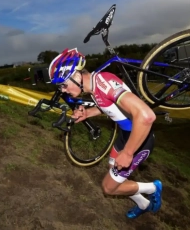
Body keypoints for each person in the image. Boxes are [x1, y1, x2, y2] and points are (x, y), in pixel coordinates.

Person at [48, 48, 162, 219]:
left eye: (63, 84)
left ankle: (153, 188)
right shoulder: (94, 86)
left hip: (139, 139)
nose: (63, 90)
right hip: (125, 135)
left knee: (108, 187)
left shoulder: (103, 82)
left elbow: (146, 116)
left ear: (77, 76)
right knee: (112, 170)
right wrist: (87, 113)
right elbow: (108, 107)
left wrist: (128, 153)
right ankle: (143, 203)